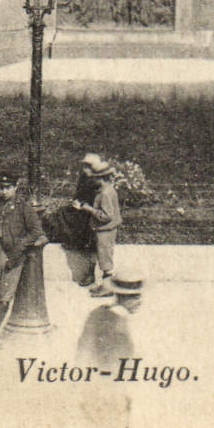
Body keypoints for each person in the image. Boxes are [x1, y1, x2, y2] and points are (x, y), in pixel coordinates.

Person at [0, 169, 46, 351]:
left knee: (5, 294)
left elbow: (35, 232)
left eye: (8, 187)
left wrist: (19, 247)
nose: (4, 191)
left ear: (16, 187)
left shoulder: (23, 207)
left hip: (11, 255)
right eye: (1, 187)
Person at [74, 153, 123, 296]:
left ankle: (108, 288)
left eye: (95, 178)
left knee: (105, 259)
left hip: (105, 230)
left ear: (100, 178)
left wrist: (87, 208)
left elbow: (106, 216)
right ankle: (105, 286)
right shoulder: (105, 190)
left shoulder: (106, 193)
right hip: (103, 230)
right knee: (103, 257)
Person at [75, 270, 144, 370]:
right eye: (136, 297)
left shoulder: (97, 313)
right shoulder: (119, 326)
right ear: (125, 297)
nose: (140, 302)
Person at [55, 165, 103, 287]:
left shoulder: (99, 184)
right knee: (61, 215)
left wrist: (83, 207)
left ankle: (90, 272)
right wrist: (77, 204)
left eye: (89, 167)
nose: (86, 170)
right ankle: (70, 237)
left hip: (92, 215)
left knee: (88, 235)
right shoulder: (84, 179)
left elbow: (99, 205)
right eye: (85, 167)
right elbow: (79, 197)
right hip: (83, 211)